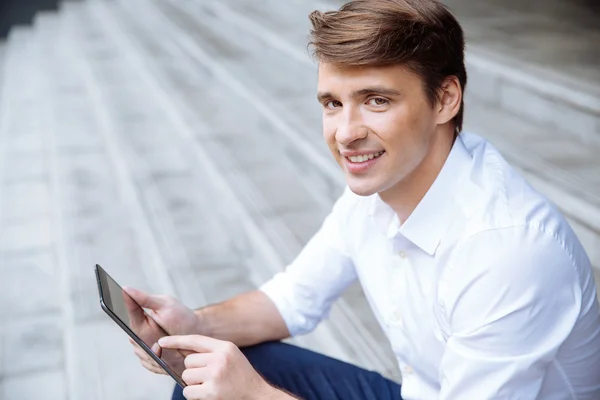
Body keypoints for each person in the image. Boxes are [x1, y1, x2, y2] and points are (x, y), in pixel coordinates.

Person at [125, 0, 600, 399]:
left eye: (377, 100)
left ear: (445, 99)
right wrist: (195, 323)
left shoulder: (506, 251)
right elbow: (293, 299)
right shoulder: (379, 188)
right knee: (203, 373)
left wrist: (259, 395)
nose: (346, 133)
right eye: (333, 103)